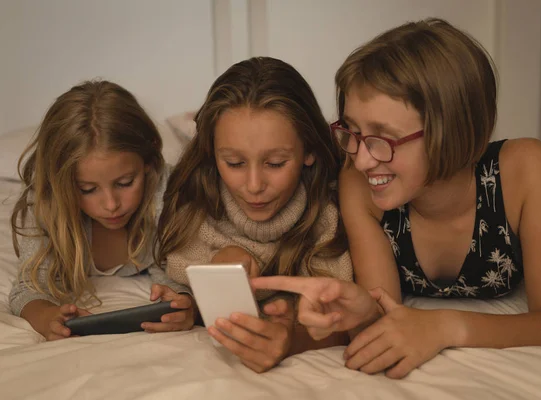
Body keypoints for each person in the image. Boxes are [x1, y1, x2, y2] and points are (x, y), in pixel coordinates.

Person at [253, 18, 541, 379]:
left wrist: (444, 327)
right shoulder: (357, 180)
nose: (361, 159)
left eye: (384, 138)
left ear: (451, 130)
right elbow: (380, 315)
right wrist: (316, 326)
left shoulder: (525, 168)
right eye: (353, 132)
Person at [156, 57, 353, 373]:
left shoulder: (326, 218)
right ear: (211, 153)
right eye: (233, 163)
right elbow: (174, 269)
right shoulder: (195, 207)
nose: (253, 186)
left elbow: (345, 320)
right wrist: (199, 290)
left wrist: (292, 338)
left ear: (309, 152)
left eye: (275, 163)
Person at [9, 80, 196, 341]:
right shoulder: (45, 202)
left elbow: (178, 268)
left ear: (148, 160)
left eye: (124, 183)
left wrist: (185, 303)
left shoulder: (168, 192)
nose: (111, 204)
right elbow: (28, 288)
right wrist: (46, 317)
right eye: (87, 189)